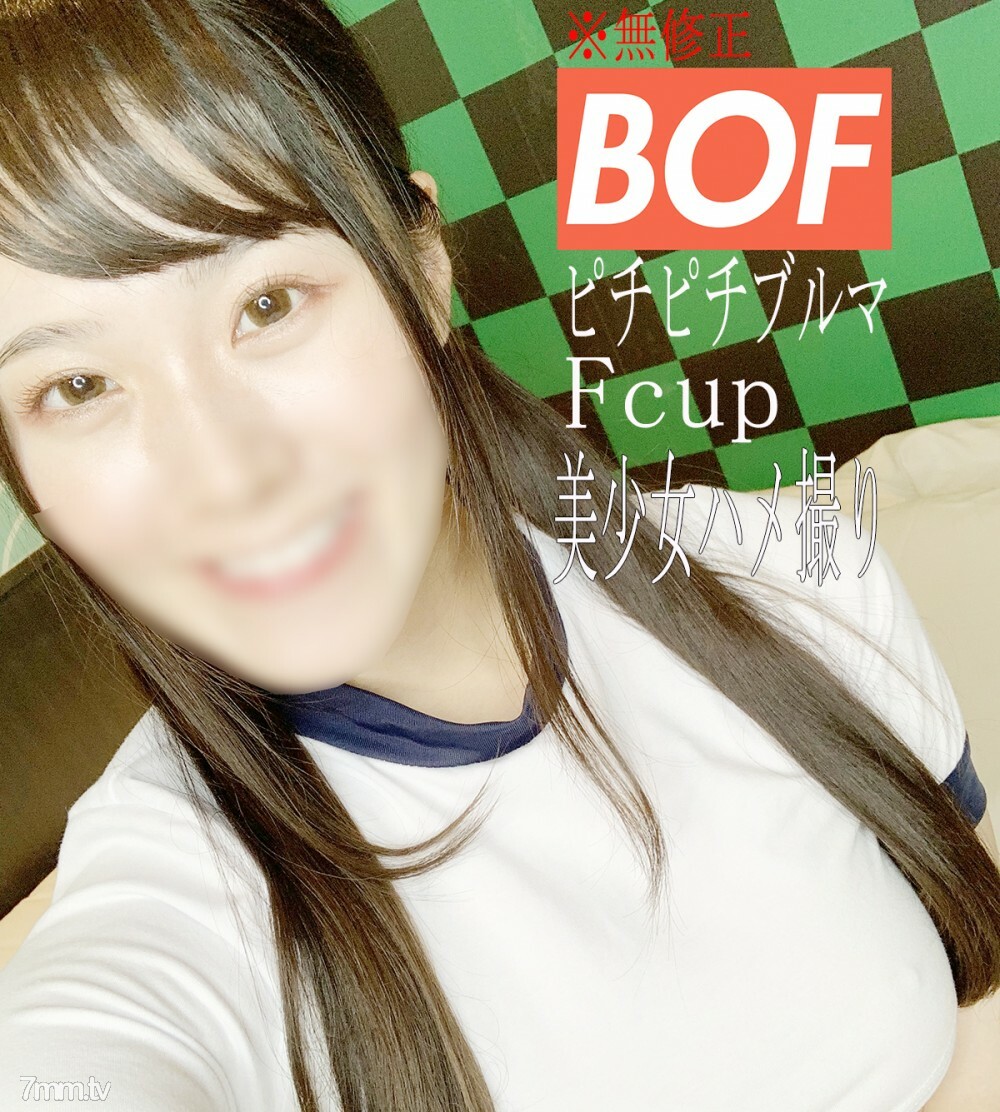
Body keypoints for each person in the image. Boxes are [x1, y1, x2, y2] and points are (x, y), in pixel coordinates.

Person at [0, 2, 997, 1110]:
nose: (223, 474)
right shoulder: (175, 888)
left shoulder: (791, 572)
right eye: (76, 387)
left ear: (422, 265)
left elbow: (977, 987)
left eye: (267, 305)